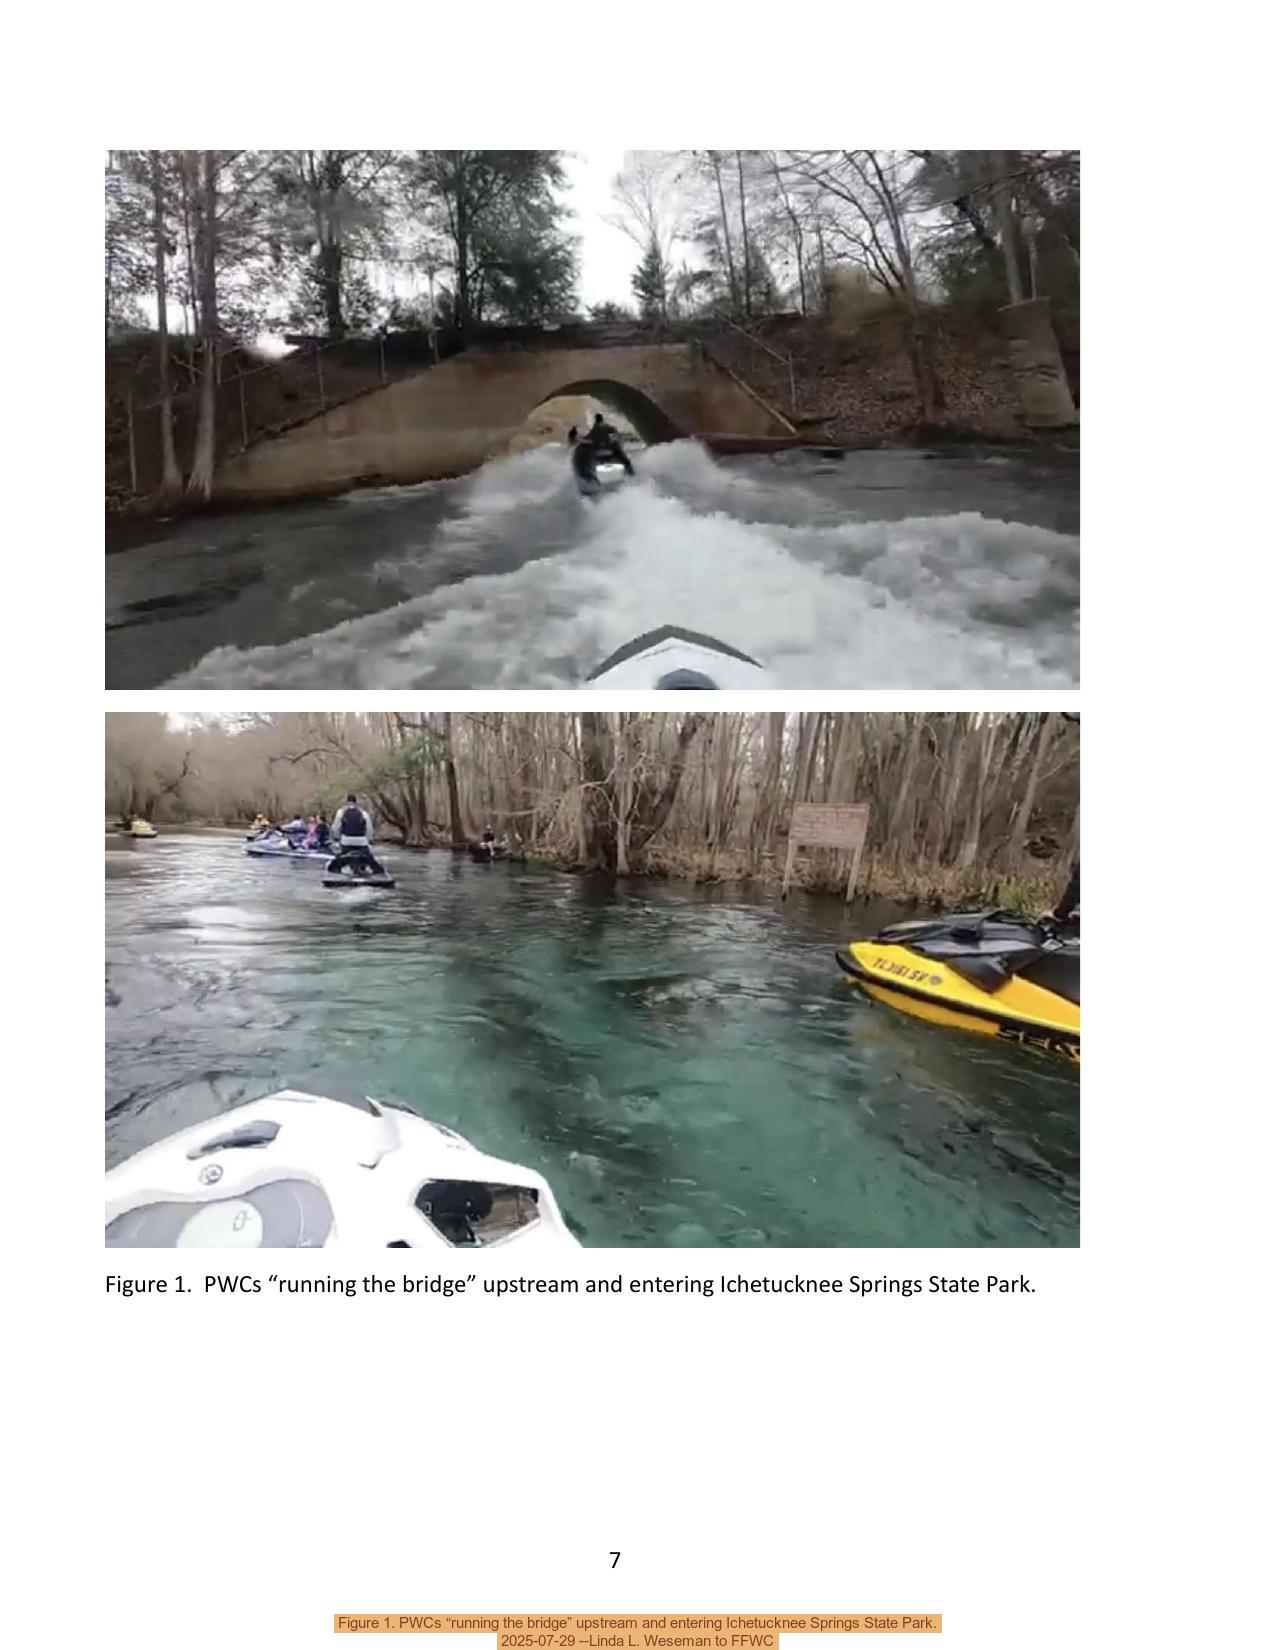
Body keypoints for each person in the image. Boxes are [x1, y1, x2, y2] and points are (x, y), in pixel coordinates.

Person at [327, 794, 386, 877]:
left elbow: (336, 828)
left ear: (347, 802)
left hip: (346, 841)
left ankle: (337, 870)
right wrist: (368, 839)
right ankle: (372, 870)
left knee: (339, 859)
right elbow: (369, 829)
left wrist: (337, 839)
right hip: (361, 842)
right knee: (369, 859)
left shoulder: (341, 812)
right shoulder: (363, 813)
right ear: (356, 802)